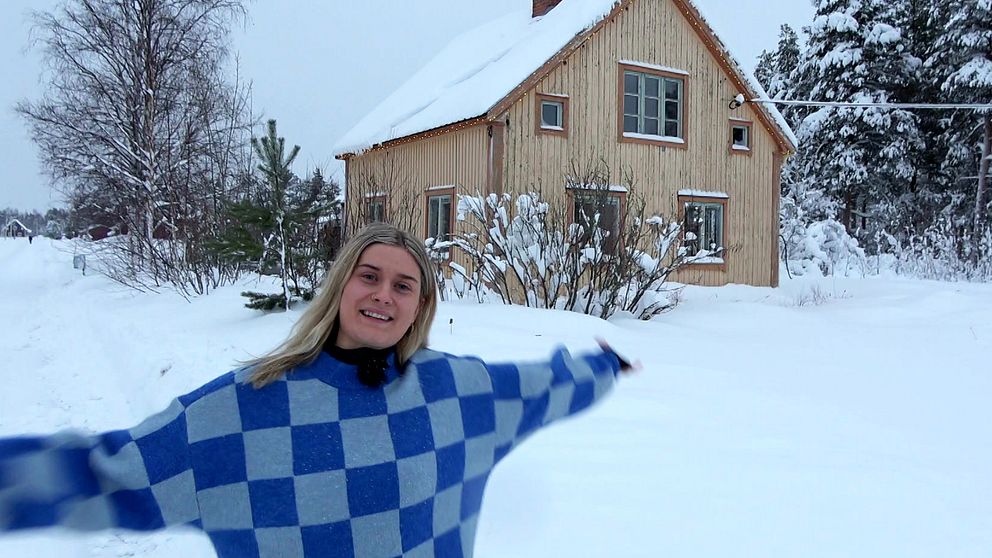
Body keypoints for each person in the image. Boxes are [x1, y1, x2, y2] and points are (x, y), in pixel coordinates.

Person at [0, 222, 632, 557]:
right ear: (340, 288)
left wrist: (599, 367)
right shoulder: (246, 408)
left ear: (421, 306)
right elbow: (106, 473)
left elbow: (542, 387)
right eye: (369, 276)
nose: (384, 294)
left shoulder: (456, 390)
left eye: (404, 285)